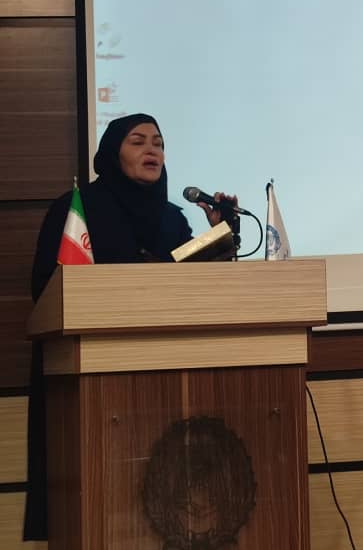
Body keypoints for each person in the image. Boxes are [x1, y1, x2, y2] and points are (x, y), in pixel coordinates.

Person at [22, 112, 237, 541]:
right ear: (111, 153)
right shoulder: (75, 209)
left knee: (167, 509)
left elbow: (196, 295)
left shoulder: (173, 220)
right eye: (137, 141)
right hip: (91, 380)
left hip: (168, 382)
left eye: (158, 143)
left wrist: (221, 236)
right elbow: (45, 289)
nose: (151, 150)